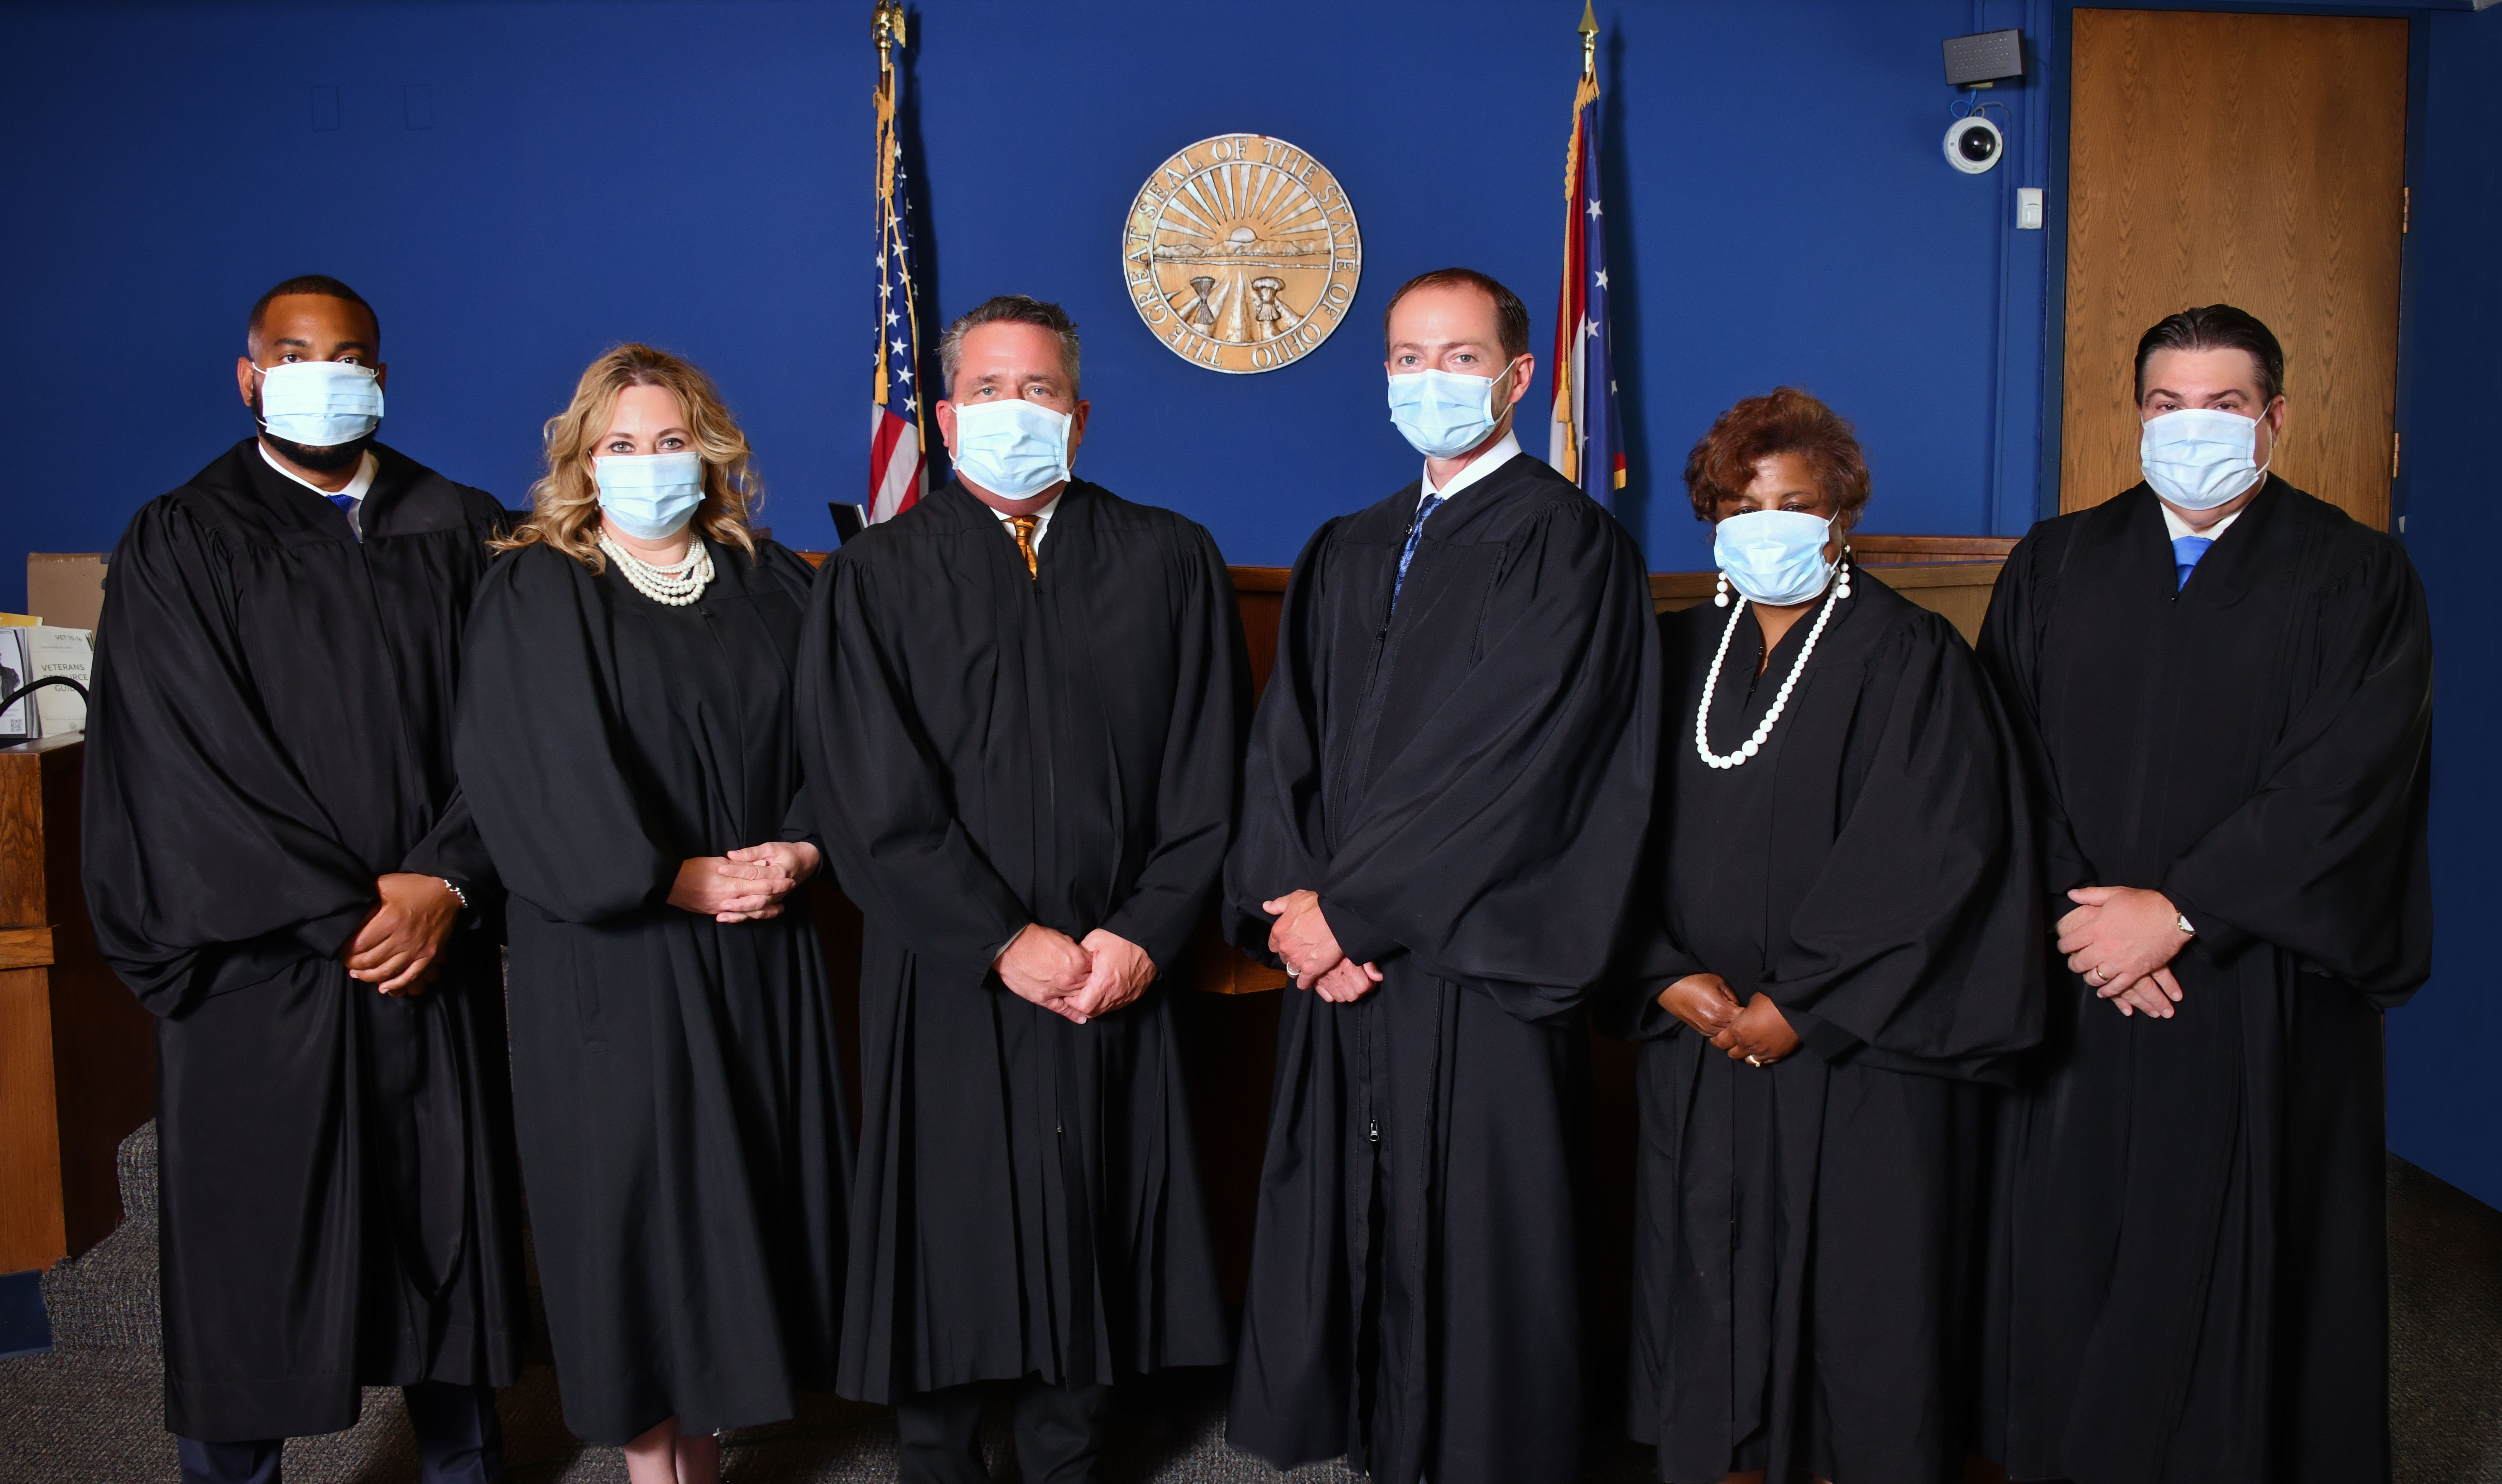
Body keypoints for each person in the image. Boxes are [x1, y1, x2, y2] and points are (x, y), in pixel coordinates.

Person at [1975, 305, 2433, 1484]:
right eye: (2167, 406)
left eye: (2223, 406)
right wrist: (2086, 925)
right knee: (2076, 1254)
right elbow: (1999, 757)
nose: (2193, 429)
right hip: (2082, 983)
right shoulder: (2056, 561)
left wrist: (2177, 914)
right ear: (2137, 419)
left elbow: (2348, 779)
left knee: (2247, 1258)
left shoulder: (2355, 574)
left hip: (2254, 984)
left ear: (2273, 419)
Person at [82, 275, 525, 1484]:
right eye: (295, 351)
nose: (325, 373)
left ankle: (464, 1467)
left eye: (350, 354)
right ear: (249, 375)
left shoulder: (466, 528)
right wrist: (350, 912)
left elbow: (522, 734)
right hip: (264, 969)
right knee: (254, 1258)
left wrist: (446, 880)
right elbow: (182, 760)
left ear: (382, 374)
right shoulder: (182, 537)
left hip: (430, 951)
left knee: (446, 1239)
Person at [1222, 268, 1660, 1484]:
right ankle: (1374, 1448)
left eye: (1459, 358)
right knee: (1356, 1223)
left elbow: (1516, 767)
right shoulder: (1348, 546)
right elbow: (1282, 751)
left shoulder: (1568, 549)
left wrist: (1352, 913)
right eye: (1407, 359)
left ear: (1519, 378)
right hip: (1338, 967)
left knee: (1479, 1241)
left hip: (1474, 962)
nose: (1430, 382)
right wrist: (1290, 912)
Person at [799, 294, 1244, 1484]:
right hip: (952, 972)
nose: (1015, 413)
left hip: (1113, 968)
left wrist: (1139, 937)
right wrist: (1002, 941)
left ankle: (1067, 1454)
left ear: (1081, 416)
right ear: (944, 418)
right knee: (945, 1231)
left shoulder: (1169, 559)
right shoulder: (876, 577)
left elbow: (1209, 779)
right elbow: (868, 798)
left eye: (1038, 391)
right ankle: (938, 1461)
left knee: (1096, 1216)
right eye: (989, 392)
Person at [1610, 389, 2041, 1484]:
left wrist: (1801, 1004)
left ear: (1839, 515)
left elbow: (1934, 854)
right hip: (1698, 1039)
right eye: (1741, 506)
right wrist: (1661, 974)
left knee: (1864, 1293)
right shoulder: (1662, 657)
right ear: (1709, 520)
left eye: (1795, 504)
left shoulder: (1913, 658)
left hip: (1856, 1051)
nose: (1769, 527)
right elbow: (1600, 835)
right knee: (1706, 1275)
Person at [450, 345, 848, 1483]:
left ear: (709, 452)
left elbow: (841, 743)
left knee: (739, 1204)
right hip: (614, 963)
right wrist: (672, 877)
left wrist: (804, 845)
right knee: (633, 1212)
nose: (647, 464)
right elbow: (532, 772)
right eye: (619, 446)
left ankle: (706, 1452)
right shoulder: (537, 590)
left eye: (669, 441)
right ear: (581, 464)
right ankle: (648, 1466)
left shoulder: (774, 585)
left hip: (757, 950)